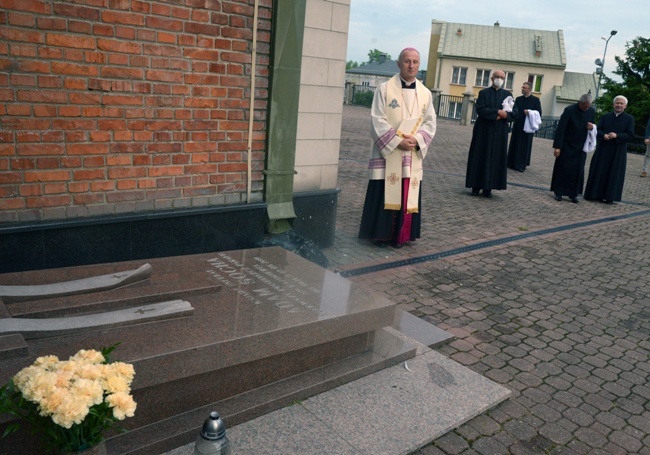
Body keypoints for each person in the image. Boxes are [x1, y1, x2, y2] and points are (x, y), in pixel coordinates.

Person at [358, 48, 437, 248]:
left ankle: (402, 236)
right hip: (389, 153)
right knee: (384, 189)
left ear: (419, 65)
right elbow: (377, 119)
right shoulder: (384, 89)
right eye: (407, 61)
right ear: (399, 63)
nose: (411, 66)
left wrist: (417, 140)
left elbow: (430, 123)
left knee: (407, 190)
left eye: (415, 62)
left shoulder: (426, 93)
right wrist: (396, 141)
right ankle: (381, 235)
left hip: (411, 152)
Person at [465, 70, 517, 197]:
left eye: (502, 77)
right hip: (483, 131)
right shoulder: (483, 93)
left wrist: (506, 115)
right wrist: (498, 113)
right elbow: (481, 110)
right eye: (497, 77)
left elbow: (515, 113)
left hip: (499, 133)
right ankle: (475, 186)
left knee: (495, 159)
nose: (499, 79)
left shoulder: (508, 95)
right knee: (480, 157)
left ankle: (489, 188)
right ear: (492, 78)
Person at [584, 96, 635, 204]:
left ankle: (609, 197)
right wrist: (603, 136)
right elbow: (598, 130)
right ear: (613, 104)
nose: (619, 105)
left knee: (614, 173)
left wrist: (617, 135)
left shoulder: (629, 119)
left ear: (625, 106)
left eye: (621, 103)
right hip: (603, 149)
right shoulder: (605, 116)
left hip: (618, 151)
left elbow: (630, 135)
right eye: (617, 103)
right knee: (598, 170)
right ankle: (594, 194)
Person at [550, 93, 595, 203]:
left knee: (578, 171)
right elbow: (561, 129)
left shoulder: (591, 111)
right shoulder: (569, 110)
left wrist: (592, 127)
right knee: (563, 169)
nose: (586, 108)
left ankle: (573, 194)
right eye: (585, 106)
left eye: (588, 106)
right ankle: (559, 192)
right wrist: (557, 147)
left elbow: (592, 125)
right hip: (567, 145)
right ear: (580, 103)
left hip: (581, 147)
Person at [507, 82, 542, 172]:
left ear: (529, 89)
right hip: (518, 125)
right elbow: (514, 110)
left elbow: (539, 113)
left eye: (524, 87)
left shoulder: (535, 100)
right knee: (515, 143)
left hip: (528, 127)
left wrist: (530, 112)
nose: (522, 89)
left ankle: (522, 164)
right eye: (522, 87)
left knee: (524, 146)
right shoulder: (518, 99)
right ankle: (511, 162)